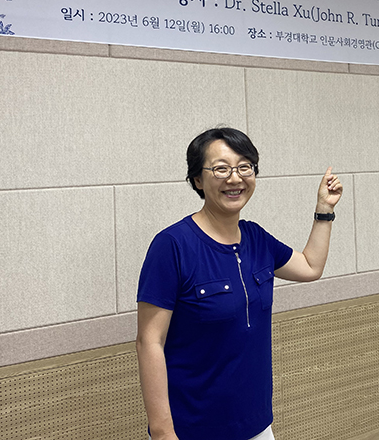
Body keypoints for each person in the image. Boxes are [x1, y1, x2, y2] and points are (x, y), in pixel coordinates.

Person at [136, 127, 343, 440]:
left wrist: (324, 211)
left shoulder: (256, 238)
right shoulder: (172, 245)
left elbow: (311, 266)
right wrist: (164, 432)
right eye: (221, 168)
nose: (235, 178)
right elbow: (149, 342)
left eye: (244, 167)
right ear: (197, 180)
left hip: (256, 425)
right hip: (193, 429)